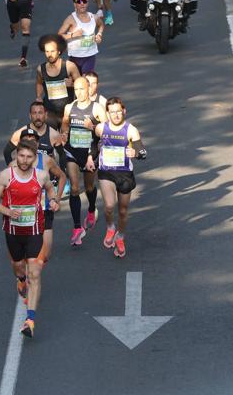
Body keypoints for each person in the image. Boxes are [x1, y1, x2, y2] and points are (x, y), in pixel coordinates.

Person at [0, 139, 60, 338]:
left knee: (35, 273)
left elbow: (50, 189)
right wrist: (7, 211)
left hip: (35, 230)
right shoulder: (6, 176)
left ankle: (30, 320)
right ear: (16, 155)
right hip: (13, 232)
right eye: (21, 156)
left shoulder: (41, 176)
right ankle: (20, 280)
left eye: (29, 157)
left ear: (34, 157)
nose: (25, 160)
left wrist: (54, 200)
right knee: (19, 267)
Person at [92, 97, 146, 257]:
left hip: (124, 174)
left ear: (124, 111)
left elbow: (143, 152)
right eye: (112, 112)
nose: (115, 115)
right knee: (109, 206)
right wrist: (90, 156)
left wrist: (135, 153)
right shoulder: (101, 128)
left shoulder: (131, 130)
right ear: (107, 114)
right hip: (106, 172)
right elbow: (94, 143)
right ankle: (110, 227)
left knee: (122, 211)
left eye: (118, 111)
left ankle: (120, 236)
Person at [60, 77, 108, 245]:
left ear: (89, 89)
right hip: (72, 151)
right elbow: (65, 125)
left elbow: (107, 131)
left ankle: (91, 209)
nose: (79, 93)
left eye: (82, 89)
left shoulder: (97, 108)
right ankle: (77, 227)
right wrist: (64, 133)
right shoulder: (69, 107)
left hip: (90, 154)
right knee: (74, 188)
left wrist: (93, 127)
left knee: (88, 186)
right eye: (76, 89)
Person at [11, 128, 67, 263]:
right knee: (27, 254)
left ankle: (30, 274)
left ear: (37, 144)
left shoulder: (47, 160)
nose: (30, 143)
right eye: (26, 140)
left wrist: (57, 199)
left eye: (33, 140)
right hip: (24, 213)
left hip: (44, 211)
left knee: (45, 256)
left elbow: (62, 177)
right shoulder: (13, 165)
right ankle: (26, 277)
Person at [36, 34, 81, 131]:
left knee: (67, 141)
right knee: (50, 140)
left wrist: (72, 84)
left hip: (67, 112)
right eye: (47, 51)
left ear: (59, 51)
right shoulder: (41, 69)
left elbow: (82, 84)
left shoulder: (69, 66)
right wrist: (39, 96)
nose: (49, 54)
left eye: (52, 51)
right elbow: (39, 83)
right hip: (49, 112)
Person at [58, 0, 105, 75]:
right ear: (74, 4)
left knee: (86, 81)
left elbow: (101, 25)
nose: (82, 3)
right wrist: (73, 35)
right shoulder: (70, 19)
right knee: (76, 83)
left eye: (84, 1)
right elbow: (59, 35)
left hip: (90, 56)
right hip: (75, 57)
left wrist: (99, 34)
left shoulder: (94, 17)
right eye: (79, 1)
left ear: (87, 3)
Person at [3, 101, 65, 165]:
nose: (37, 117)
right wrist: (12, 170)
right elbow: (7, 152)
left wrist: (62, 172)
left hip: (47, 173)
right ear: (30, 116)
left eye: (40, 113)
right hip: (28, 173)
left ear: (46, 115)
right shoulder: (20, 133)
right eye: (34, 113)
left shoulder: (54, 135)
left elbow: (62, 155)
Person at [0, 0, 39, 67]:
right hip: (12, 0)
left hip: (26, 1)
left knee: (25, 28)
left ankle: (23, 58)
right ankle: (13, 28)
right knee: (16, 27)